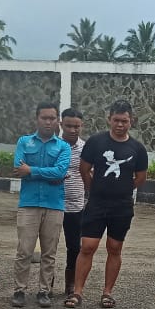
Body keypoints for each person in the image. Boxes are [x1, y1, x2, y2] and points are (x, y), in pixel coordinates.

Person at [68, 100, 148, 308]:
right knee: (87, 246)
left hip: (121, 206)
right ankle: (77, 292)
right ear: (109, 120)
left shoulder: (137, 149)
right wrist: (93, 188)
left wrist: (122, 189)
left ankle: (107, 292)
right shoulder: (96, 142)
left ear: (131, 121)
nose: (120, 125)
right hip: (97, 203)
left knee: (115, 248)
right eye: (116, 120)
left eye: (124, 121)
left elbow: (140, 177)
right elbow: (84, 169)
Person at [11, 102, 70, 307]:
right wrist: (49, 174)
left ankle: (44, 291)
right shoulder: (24, 142)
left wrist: (32, 171)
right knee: (24, 251)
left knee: (49, 252)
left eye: (52, 118)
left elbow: (61, 172)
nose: (48, 122)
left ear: (57, 121)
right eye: (44, 118)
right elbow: (19, 169)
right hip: (28, 204)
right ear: (36, 119)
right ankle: (19, 290)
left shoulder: (63, 146)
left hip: (54, 205)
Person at [59, 107, 85, 298]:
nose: (72, 130)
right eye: (68, 126)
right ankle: (46, 285)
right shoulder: (53, 146)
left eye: (76, 126)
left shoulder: (86, 148)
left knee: (74, 247)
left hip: (76, 206)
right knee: (48, 247)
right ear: (61, 125)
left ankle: (70, 284)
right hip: (53, 204)